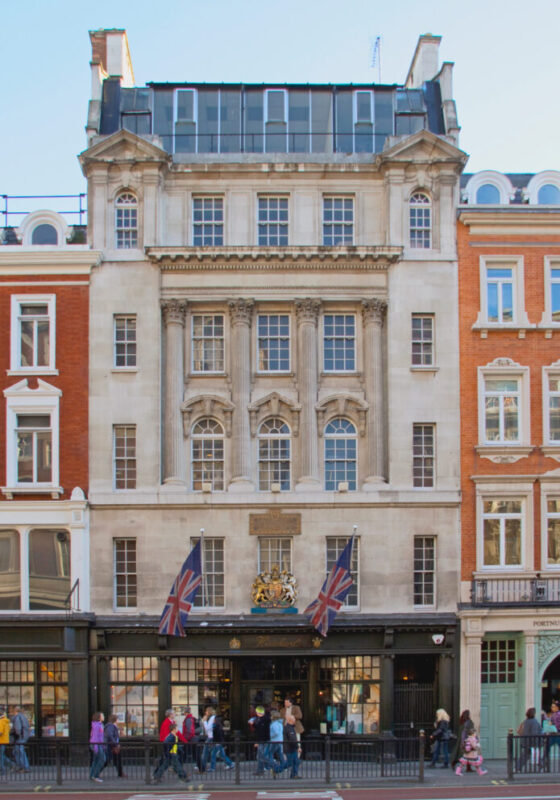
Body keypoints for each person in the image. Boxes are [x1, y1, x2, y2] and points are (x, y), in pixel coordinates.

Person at [154, 709, 186, 779]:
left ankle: (157, 775)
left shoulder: (172, 722)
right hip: (168, 745)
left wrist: (184, 740)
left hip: (171, 745)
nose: (175, 714)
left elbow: (177, 733)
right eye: (174, 713)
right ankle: (182, 775)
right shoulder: (166, 723)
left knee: (167, 762)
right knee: (168, 762)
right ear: (170, 715)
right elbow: (165, 736)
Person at [252, 705, 277, 776]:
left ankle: (274, 765)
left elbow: (261, 731)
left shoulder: (264, 720)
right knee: (260, 756)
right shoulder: (261, 719)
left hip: (264, 740)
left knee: (262, 756)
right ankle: (260, 770)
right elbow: (258, 729)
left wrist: (258, 741)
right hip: (263, 740)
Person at [517, 707, 543, 772]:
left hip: (526, 741)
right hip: (533, 742)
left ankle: (517, 768)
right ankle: (542, 767)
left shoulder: (526, 721)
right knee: (534, 755)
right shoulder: (534, 722)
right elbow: (534, 733)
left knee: (526, 755)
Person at [104, 714, 126, 778]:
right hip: (111, 746)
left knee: (117, 759)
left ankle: (120, 773)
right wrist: (115, 743)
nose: (118, 721)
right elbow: (110, 735)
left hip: (112, 745)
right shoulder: (110, 726)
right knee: (107, 760)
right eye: (117, 719)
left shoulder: (112, 726)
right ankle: (96, 773)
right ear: (115, 720)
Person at [11, 706, 30, 773]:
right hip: (24, 737)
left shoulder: (17, 717)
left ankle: (24, 767)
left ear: (15, 711)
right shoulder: (24, 717)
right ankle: (22, 766)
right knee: (18, 752)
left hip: (19, 738)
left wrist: (14, 733)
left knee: (19, 752)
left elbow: (18, 729)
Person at [283, 712, 302, 779]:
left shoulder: (289, 727)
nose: (295, 720)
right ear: (291, 720)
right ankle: (276, 769)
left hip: (290, 748)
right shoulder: (289, 728)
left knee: (296, 762)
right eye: (294, 719)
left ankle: (294, 775)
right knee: (290, 763)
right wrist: (297, 747)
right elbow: (293, 739)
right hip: (290, 748)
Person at [89, 711, 106, 783]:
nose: (104, 717)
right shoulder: (97, 725)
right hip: (96, 744)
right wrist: (96, 747)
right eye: (102, 715)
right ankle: (95, 776)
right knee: (102, 759)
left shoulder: (99, 724)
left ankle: (92, 776)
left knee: (95, 761)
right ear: (99, 717)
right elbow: (95, 737)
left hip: (97, 744)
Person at [200, 706, 217, 774]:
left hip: (210, 737)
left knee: (205, 752)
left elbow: (208, 728)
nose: (205, 712)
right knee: (213, 753)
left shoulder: (212, 718)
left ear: (209, 712)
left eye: (206, 711)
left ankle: (202, 767)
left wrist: (204, 721)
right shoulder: (212, 718)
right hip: (211, 737)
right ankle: (211, 767)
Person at [0, 706, 15, 774]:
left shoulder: (1, 721)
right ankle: (11, 764)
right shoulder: (6, 721)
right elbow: (9, 730)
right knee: (2, 755)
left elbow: (0, 732)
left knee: (1, 756)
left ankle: (2, 770)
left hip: (1, 740)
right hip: (5, 740)